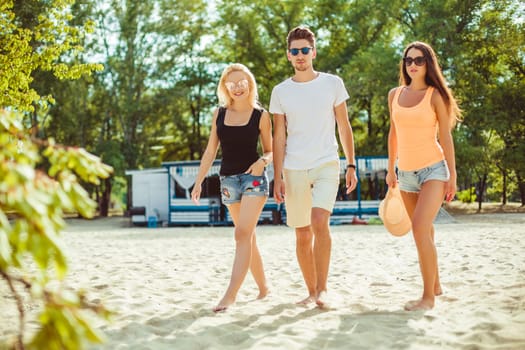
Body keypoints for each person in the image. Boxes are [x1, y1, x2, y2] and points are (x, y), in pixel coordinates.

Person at [269, 26, 358, 308]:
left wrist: (351, 164)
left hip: (326, 163)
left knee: (320, 221)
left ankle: (323, 289)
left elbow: (344, 126)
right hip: (293, 168)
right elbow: (279, 136)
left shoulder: (332, 84)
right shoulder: (280, 91)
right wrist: (278, 176)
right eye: (294, 51)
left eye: (304, 50)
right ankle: (310, 291)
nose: (300, 55)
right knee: (302, 232)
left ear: (313, 52)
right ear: (288, 55)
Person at [191, 63, 272, 312]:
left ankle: (231, 295)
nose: (237, 88)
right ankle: (264, 288)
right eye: (232, 84)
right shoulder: (220, 113)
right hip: (228, 181)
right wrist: (198, 181)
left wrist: (263, 161)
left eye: (242, 82)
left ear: (250, 83)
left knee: (241, 235)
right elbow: (209, 151)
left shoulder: (261, 115)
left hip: (253, 180)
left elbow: (272, 150)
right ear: (225, 87)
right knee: (247, 236)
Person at [385, 41, 460, 311]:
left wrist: (451, 175)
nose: (413, 64)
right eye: (408, 60)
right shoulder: (394, 95)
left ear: (428, 63)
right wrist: (391, 168)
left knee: (418, 228)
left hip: (434, 170)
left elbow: (446, 137)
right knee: (425, 230)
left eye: (418, 60)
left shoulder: (435, 96)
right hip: (405, 173)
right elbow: (393, 133)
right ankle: (436, 285)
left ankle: (427, 298)